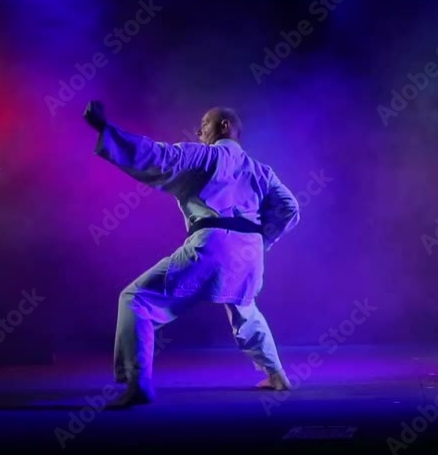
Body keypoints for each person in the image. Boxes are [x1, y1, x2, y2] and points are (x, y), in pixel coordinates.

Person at [83, 100, 300, 408]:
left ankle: (138, 382)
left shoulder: (207, 156)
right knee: (244, 307)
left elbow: (159, 156)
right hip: (250, 252)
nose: (199, 132)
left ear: (224, 126)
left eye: (204, 124)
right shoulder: (261, 171)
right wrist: (262, 239)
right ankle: (277, 375)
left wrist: (107, 130)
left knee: (135, 300)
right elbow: (290, 208)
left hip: (213, 244)